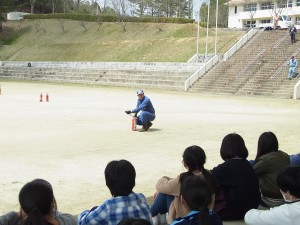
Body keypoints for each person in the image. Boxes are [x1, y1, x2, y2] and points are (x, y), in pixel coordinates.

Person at [151, 145, 216, 224]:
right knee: (167, 191)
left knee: (164, 193)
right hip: (206, 214)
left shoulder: (183, 180)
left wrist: (165, 178)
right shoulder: (209, 175)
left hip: (186, 217)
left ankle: (151, 213)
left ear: (185, 163)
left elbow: (160, 185)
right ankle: (157, 214)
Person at [78, 159, 152, 225]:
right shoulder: (142, 199)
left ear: (108, 184)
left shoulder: (108, 206)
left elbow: (83, 222)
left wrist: (86, 212)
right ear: (133, 181)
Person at [211, 133, 260, 220]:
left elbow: (209, 175)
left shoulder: (227, 167)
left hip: (235, 212)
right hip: (252, 208)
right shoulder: (246, 164)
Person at [0, 179, 77, 225]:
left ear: (23, 207)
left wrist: (26, 210)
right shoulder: (68, 221)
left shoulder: (14, 222)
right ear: (52, 203)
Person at [252, 131, 290, 208]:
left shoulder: (265, 161)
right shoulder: (285, 156)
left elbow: (251, 173)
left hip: (271, 200)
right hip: (286, 197)